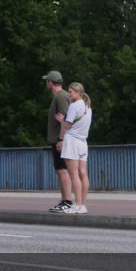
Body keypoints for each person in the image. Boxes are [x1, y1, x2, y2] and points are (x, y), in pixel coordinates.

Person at [59, 83, 92, 214]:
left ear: (79, 93)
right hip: (83, 142)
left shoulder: (73, 106)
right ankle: (83, 204)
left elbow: (67, 125)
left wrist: (62, 119)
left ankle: (77, 204)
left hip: (72, 141)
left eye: (71, 92)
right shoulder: (88, 107)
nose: (69, 94)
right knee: (83, 174)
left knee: (74, 175)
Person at [43, 71, 74, 212]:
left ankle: (67, 201)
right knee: (61, 170)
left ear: (51, 82)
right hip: (60, 139)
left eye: (47, 81)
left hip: (60, 140)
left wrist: (61, 139)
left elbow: (66, 118)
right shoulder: (62, 96)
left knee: (62, 171)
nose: (46, 83)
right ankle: (64, 201)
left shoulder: (60, 97)